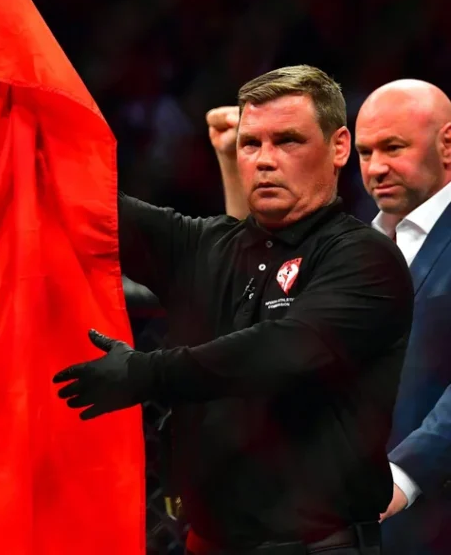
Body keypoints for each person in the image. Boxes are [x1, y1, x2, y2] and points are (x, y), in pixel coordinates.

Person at [54, 65, 413, 554]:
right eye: (251, 144)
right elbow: (83, 206)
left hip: (316, 546)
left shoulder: (364, 257)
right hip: (205, 541)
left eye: (288, 141)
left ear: (339, 147)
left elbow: (284, 350)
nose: (265, 160)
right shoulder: (204, 245)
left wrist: (144, 372)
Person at [354, 79, 451, 555]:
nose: (375, 168)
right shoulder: (355, 244)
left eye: (393, 148)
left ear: (447, 145)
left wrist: (406, 474)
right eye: (365, 152)